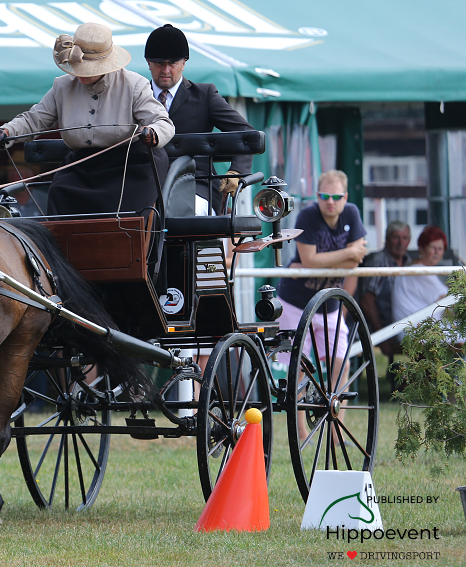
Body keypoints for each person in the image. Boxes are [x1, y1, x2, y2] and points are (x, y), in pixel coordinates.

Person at [0, 22, 174, 217]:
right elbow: (33, 120)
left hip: (130, 167)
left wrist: (153, 133)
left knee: (124, 217)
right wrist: (7, 131)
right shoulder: (62, 86)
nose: (80, 74)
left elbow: (163, 122)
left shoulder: (134, 84)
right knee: (59, 192)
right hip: (82, 167)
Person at [275, 170, 367, 436]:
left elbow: (355, 261)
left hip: (329, 304)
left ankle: (337, 426)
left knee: (342, 361)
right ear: (317, 196)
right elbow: (309, 261)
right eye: (324, 196)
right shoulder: (307, 216)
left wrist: (335, 258)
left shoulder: (351, 213)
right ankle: (302, 432)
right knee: (300, 366)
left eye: (336, 196)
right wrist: (348, 252)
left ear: (345, 197)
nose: (330, 201)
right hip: (295, 302)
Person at [144, 24, 255, 215]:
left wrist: (237, 171)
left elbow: (247, 134)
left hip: (195, 185)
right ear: (148, 63)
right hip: (145, 185)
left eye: (173, 64)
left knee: (182, 213)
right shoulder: (137, 96)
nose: (166, 70)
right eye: (160, 64)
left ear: (184, 62)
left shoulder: (205, 95)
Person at [357, 220, 411, 356]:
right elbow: (367, 301)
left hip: (405, 324)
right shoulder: (378, 260)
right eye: (395, 237)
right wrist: (382, 336)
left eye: (404, 238)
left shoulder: (409, 262)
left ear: (409, 241)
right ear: (387, 240)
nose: (400, 243)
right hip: (381, 327)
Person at [392, 225, 449, 337]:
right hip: (417, 332)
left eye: (440, 248)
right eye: (433, 248)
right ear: (422, 248)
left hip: (417, 329)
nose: (436, 252)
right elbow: (449, 301)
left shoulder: (415, 267)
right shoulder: (419, 271)